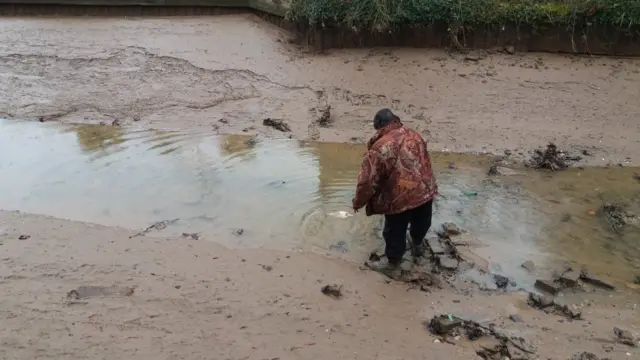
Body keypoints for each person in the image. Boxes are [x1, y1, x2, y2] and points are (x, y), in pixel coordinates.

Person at [352, 108, 438, 277]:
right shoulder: (415, 135)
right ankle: (417, 246)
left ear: (378, 126)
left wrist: (358, 202)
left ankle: (393, 264)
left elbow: (367, 181)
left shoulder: (380, 147)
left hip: (400, 196)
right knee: (421, 220)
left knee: (394, 230)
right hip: (425, 190)